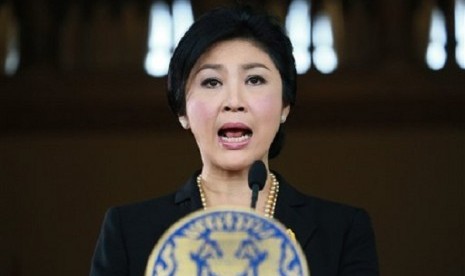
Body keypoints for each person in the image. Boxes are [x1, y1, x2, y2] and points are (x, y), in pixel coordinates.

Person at [90, 5, 379, 276]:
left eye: (254, 80)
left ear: (285, 106)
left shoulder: (342, 231)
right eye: (211, 82)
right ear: (182, 112)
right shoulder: (129, 231)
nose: (234, 101)